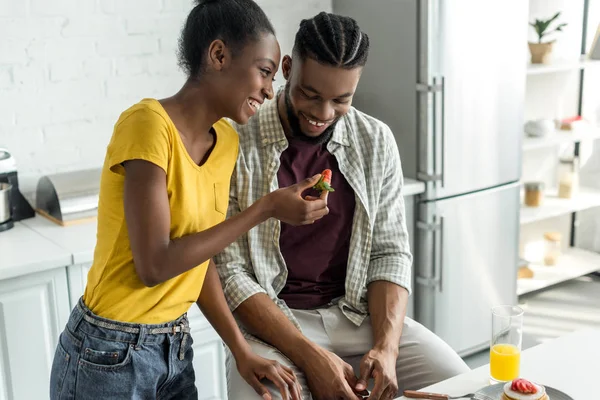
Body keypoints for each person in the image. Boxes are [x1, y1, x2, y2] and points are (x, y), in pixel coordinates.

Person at [48, 1, 329, 399]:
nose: (270, 90)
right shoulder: (148, 125)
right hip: (107, 352)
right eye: (264, 71)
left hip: (175, 349)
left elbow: (197, 261)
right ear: (218, 55)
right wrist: (265, 208)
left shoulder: (227, 142)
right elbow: (155, 264)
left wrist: (241, 349)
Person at [214, 11, 471, 400]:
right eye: (310, 95)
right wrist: (311, 356)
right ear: (287, 69)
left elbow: (390, 253)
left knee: (463, 386)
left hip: (357, 316)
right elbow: (231, 273)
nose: (323, 113)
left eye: (341, 100)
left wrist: (386, 348)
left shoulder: (375, 140)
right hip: (274, 329)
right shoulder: (236, 141)